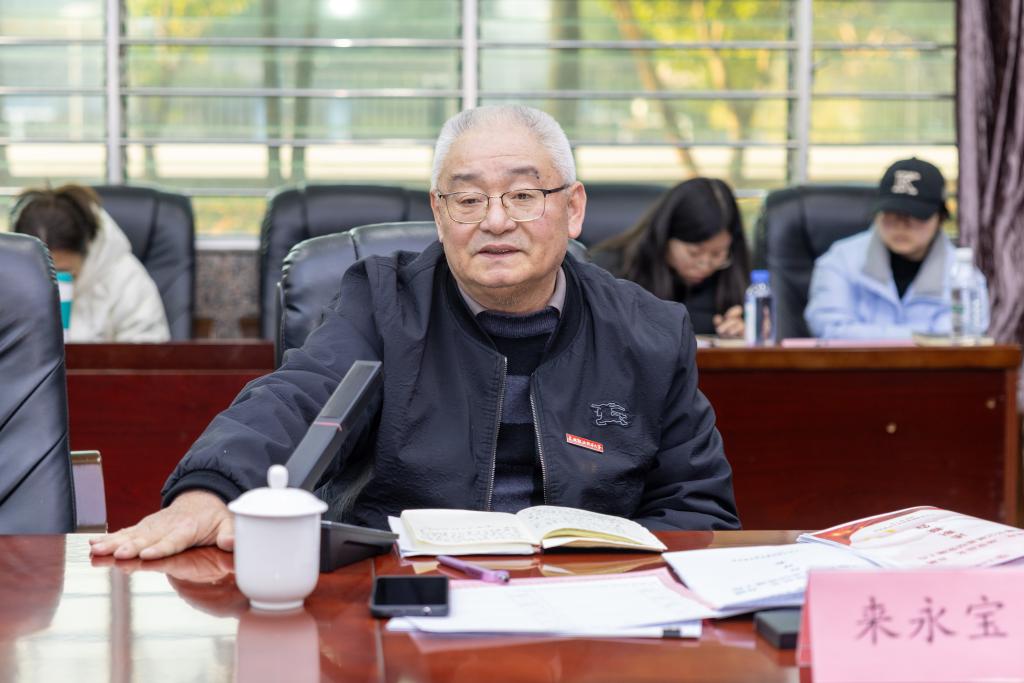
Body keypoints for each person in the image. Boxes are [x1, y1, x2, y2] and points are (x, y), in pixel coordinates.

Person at [90, 104, 739, 562]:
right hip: (406, 590)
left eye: (523, 195)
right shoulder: (382, 302)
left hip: (587, 610)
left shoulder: (650, 331)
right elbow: (297, 397)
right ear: (439, 211)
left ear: (572, 209)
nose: (495, 220)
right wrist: (211, 490)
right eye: (468, 198)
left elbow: (696, 504)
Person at [804, 158, 989, 340]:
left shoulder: (963, 276)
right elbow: (830, 329)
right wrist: (919, 338)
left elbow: (961, 339)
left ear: (940, 218)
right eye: (892, 214)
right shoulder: (840, 260)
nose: (901, 225)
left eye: (915, 215)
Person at [591, 177, 751, 338]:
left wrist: (748, 329)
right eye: (694, 253)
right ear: (665, 237)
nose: (705, 265)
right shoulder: (611, 270)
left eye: (717, 254)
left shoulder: (737, 273)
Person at [12, 184, 170, 342]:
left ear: (87, 249)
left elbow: (148, 348)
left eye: (62, 273)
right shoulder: (9, 281)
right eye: (40, 273)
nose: (54, 284)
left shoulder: (127, 280)